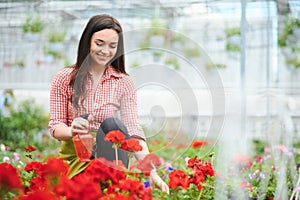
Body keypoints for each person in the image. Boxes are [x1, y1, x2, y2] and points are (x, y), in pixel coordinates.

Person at [48, 14, 169, 193]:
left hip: (109, 156)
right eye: (99, 43)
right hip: (76, 155)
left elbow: (133, 129)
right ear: (87, 41)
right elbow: (55, 125)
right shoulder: (64, 78)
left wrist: (151, 171)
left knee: (113, 124)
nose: (105, 51)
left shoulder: (123, 82)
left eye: (112, 46)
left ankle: (110, 182)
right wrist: (72, 130)